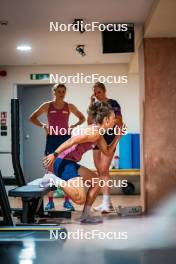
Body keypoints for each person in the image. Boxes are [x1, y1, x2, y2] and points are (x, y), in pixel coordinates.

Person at [42, 102, 123, 224]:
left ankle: (85, 215)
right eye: (113, 118)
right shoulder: (93, 132)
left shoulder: (99, 135)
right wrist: (54, 154)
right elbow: (71, 141)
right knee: (79, 199)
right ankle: (53, 179)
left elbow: (107, 152)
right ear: (106, 120)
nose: (115, 121)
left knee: (97, 181)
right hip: (62, 161)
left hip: (70, 162)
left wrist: (117, 137)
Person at [29, 83, 85, 211]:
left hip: (65, 140)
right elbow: (32, 118)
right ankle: (50, 202)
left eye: (63, 91)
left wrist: (73, 126)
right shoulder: (47, 105)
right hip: (52, 140)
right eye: (59, 91)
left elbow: (82, 118)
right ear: (54, 92)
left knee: (65, 169)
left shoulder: (69, 106)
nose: (61, 93)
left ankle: (67, 202)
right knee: (51, 170)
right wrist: (43, 126)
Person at [87, 82, 123, 213]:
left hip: (109, 137)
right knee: (100, 171)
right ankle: (106, 202)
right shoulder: (95, 105)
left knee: (103, 169)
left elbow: (119, 121)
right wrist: (91, 105)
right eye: (95, 93)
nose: (97, 95)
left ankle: (106, 202)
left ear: (104, 91)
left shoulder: (113, 103)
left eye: (99, 92)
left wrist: (110, 113)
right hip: (97, 138)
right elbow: (90, 123)